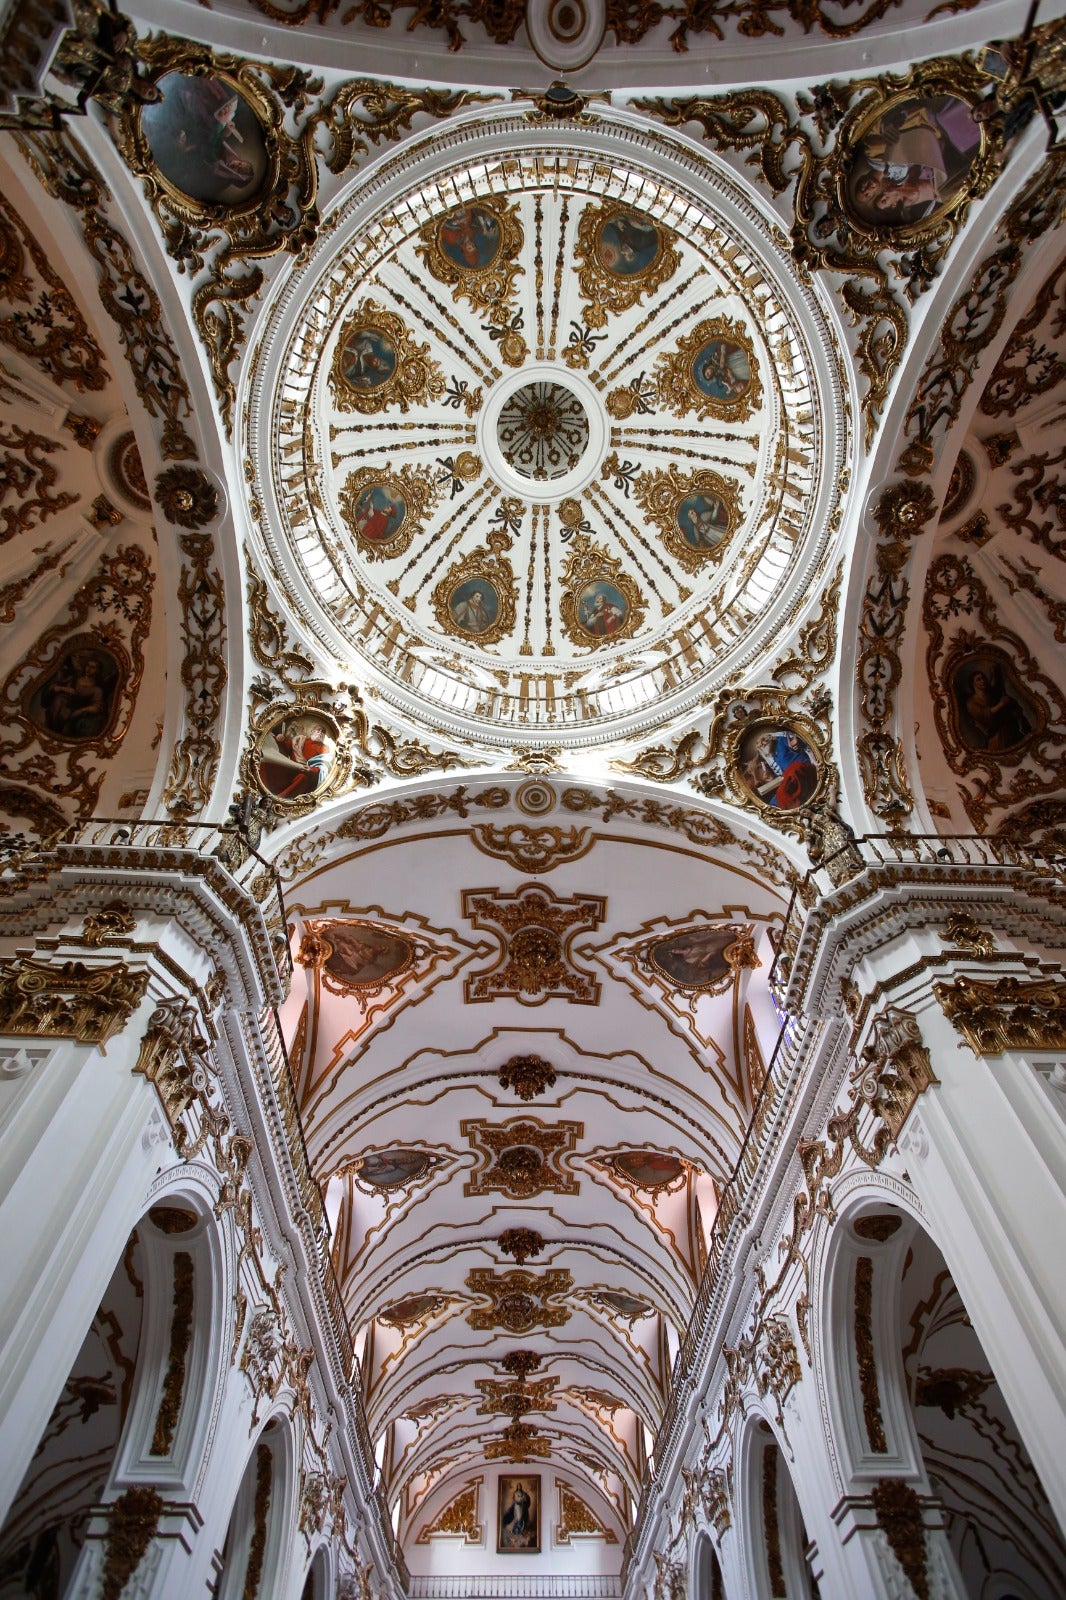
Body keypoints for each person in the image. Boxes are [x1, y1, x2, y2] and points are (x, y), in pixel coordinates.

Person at [962, 666, 1032, 751]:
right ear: (972, 683)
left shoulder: (991, 694)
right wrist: (1001, 704)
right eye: (978, 679)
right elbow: (983, 715)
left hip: (1008, 728)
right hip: (995, 735)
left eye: (983, 678)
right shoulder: (971, 702)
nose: (983, 681)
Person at [260, 719, 332, 799]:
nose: (320, 733)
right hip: (292, 768)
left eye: (323, 732)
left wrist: (311, 770)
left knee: (303, 777)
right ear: (312, 731)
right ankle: (267, 790)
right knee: (272, 763)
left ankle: (280, 799)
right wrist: (280, 740)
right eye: (318, 730)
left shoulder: (324, 748)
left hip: (308, 773)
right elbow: (286, 748)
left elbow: (324, 765)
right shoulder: (301, 740)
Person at [501, 1481, 533, 1547]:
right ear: (517, 1487)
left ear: (521, 1487)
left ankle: (520, 1530)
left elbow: (525, 1499)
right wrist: (518, 1500)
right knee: (517, 1518)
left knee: (520, 1518)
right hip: (517, 1506)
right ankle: (515, 1530)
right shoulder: (515, 1493)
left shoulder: (523, 1493)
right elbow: (515, 1499)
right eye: (518, 1486)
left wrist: (524, 1499)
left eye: (520, 1486)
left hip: (521, 1506)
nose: (519, 1487)